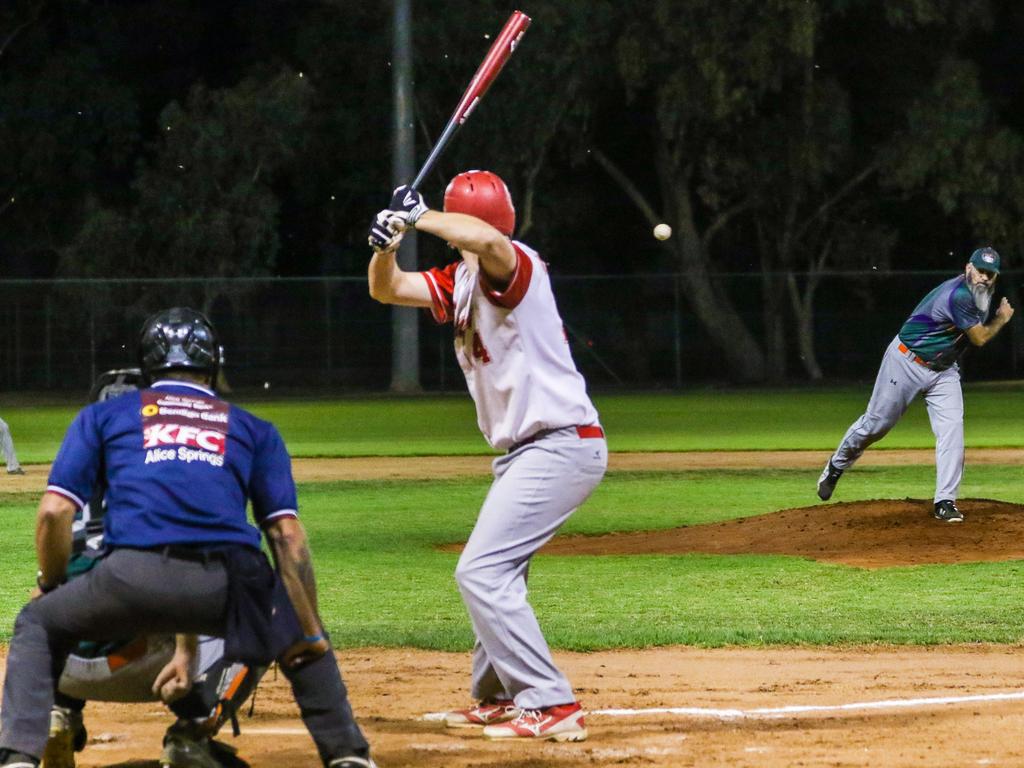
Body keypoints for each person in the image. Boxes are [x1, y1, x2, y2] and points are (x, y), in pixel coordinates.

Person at [0, 308, 375, 768]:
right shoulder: (254, 428)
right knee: (295, 636)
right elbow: (287, 537)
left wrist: (50, 584)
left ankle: (19, 757)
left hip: (129, 577)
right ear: (212, 363)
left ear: (146, 365)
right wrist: (306, 630)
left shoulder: (104, 416)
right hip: (229, 582)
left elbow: (54, 512)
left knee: (37, 624)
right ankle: (346, 755)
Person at [367, 171, 607, 742]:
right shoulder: (462, 279)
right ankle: (498, 697)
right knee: (498, 569)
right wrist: (387, 246)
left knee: (482, 571)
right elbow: (388, 289)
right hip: (531, 452)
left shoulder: (511, 261)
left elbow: (493, 245)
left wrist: (418, 215)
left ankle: (550, 703)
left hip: (559, 444)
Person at [43, 367, 266, 768]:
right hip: (145, 661)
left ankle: (58, 714)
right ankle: (192, 730)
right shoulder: (172, 478)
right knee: (256, 603)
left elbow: (51, 534)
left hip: (61, 667)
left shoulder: (70, 481)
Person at [817, 247, 1014, 522]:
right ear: (968, 267)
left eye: (990, 274)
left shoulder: (981, 292)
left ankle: (945, 501)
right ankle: (836, 466)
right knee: (876, 425)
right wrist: (1002, 319)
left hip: (943, 370)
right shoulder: (958, 294)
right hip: (906, 362)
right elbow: (979, 338)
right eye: (980, 270)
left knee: (952, 430)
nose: (984, 277)